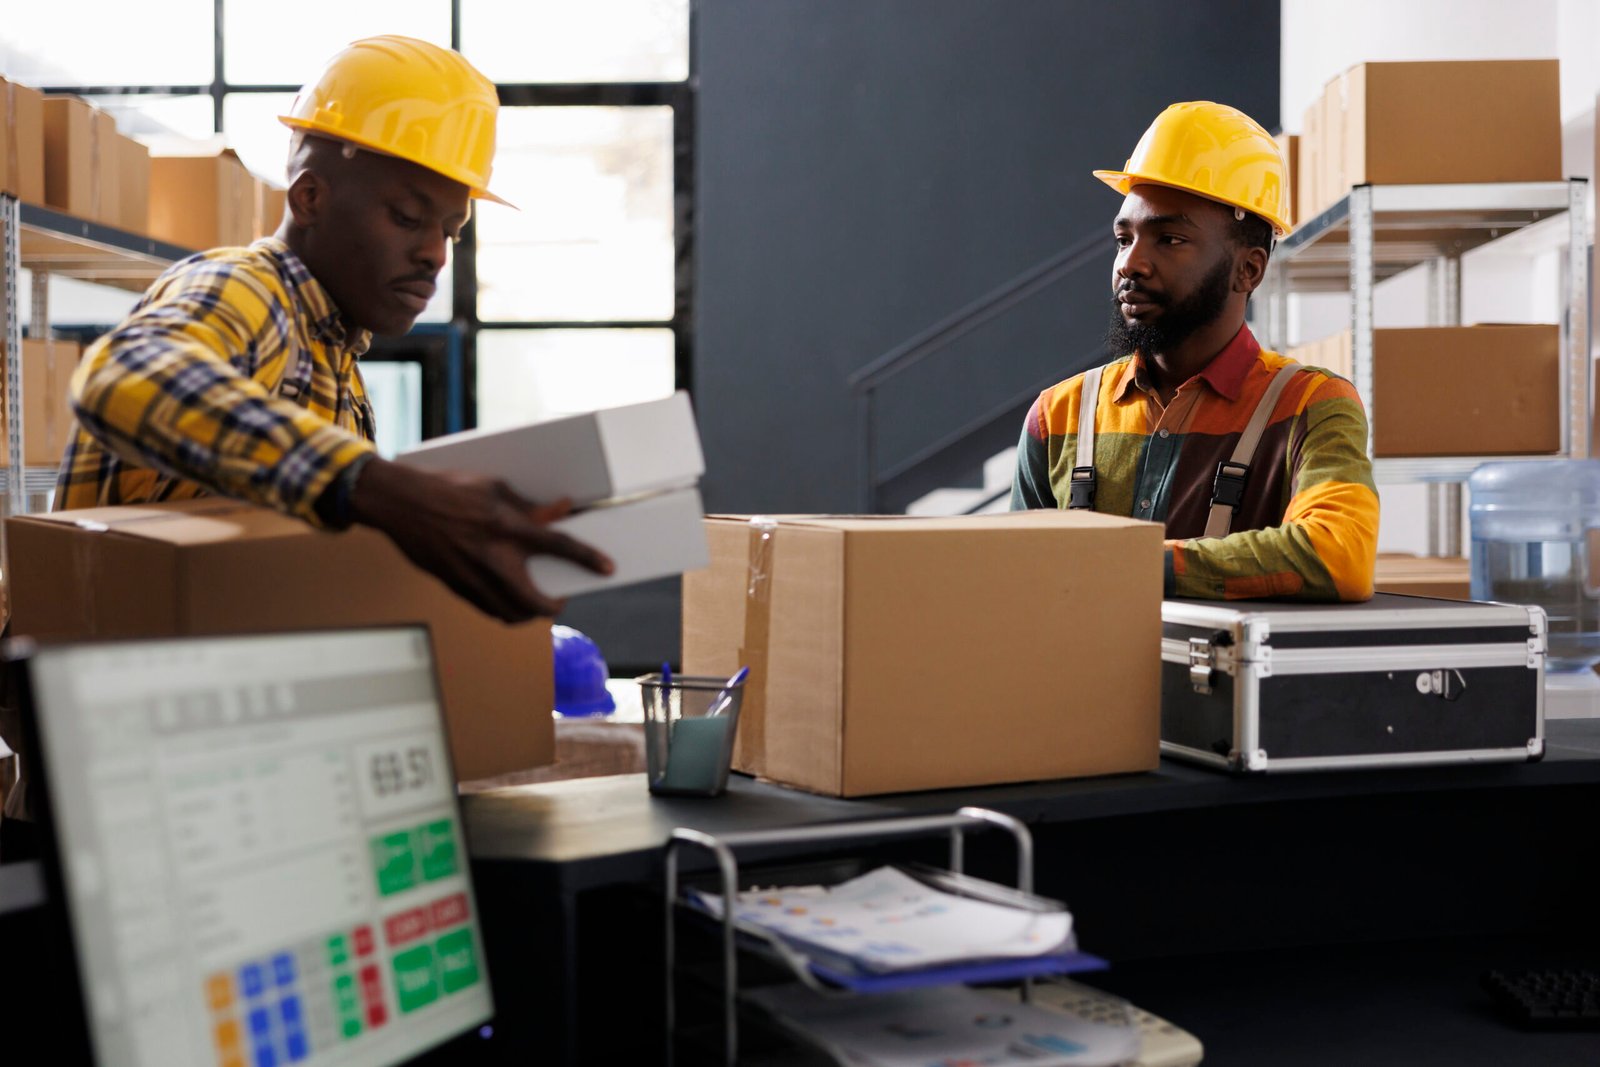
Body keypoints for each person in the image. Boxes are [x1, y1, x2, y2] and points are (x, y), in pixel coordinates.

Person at [53, 35, 612, 623]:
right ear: (311, 197)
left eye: (449, 231)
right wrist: (380, 489)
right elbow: (121, 377)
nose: (434, 256)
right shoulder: (248, 288)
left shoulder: (333, 356)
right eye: (407, 217)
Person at [1011, 101, 1378, 601]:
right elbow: (1013, 582)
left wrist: (1124, 563)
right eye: (1124, 239)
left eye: (1170, 239)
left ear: (1248, 270)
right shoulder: (1057, 416)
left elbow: (1340, 555)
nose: (1131, 264)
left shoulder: (1312, 407)